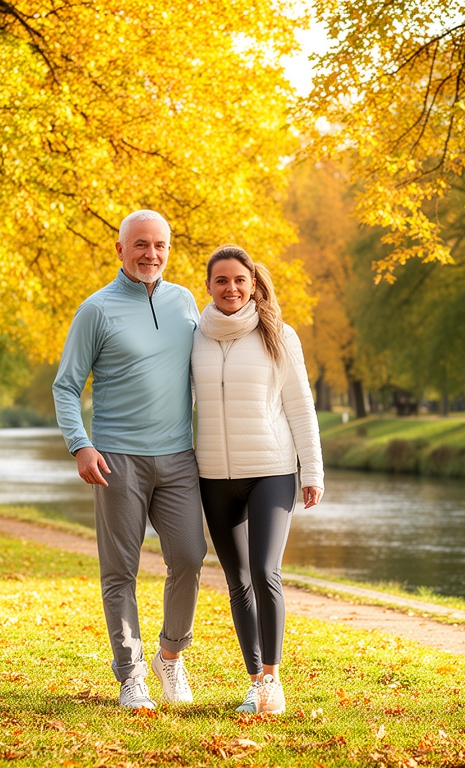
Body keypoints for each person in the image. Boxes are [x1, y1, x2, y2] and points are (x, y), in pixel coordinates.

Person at [52, 210, 206, 710]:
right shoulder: (95, 310)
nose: (151, 254)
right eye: (140, 244)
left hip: (180, 458)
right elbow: (66, 385)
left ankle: (170, 657)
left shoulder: (185, 301)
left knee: (189, 556)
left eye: (160, 245)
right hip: (117, 459)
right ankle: (131, 675)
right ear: (120, 250)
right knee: (120, 571)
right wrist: (81, 444)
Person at [191, 245, 324, 715]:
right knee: (238, 579)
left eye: (239, 280)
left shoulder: (279, 335)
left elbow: (300, 406)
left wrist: (313, 470)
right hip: (214, 475)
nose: (230, 288)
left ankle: (273, 679)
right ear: (208, 285)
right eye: (221, 280)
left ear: (253, 284)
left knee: (266, 571)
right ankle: (253, 681)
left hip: (271, 469)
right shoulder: (195, 337)